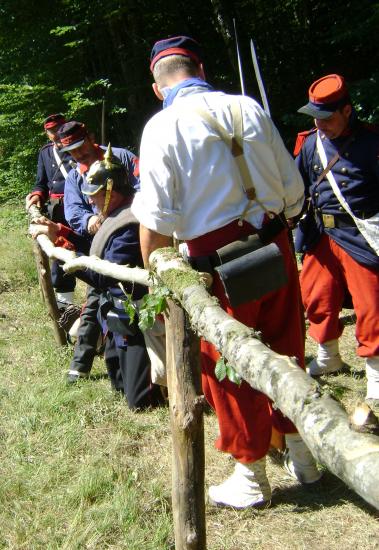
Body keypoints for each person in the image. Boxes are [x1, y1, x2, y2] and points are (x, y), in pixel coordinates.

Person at [131, 35, 321, 509]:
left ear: (158, 87)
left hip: (217, 263)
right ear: (201, 67)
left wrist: (157, 271)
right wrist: (282, 222)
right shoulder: (247, 106)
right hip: (274, 241)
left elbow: (154, 220)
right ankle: (304, 456)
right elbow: (292, 185)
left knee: (229, 368)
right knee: (287, 350)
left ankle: (251, 474)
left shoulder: (161, 126)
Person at [31, 147, 163, 409]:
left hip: (134, 317)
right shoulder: (114, 213)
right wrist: (60, 231)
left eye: (96, 195)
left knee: (140, 401)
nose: (91, 201)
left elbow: (106, 277)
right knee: (118, 385)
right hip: (113, 312)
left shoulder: (129, 223)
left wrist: (66, 252)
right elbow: (97, 246)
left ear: (111, 193)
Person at [294, 74, 379, 410]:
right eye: (315, 118)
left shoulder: (372, 144)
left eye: (327, 118)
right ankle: (329, 356)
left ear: (347, 111)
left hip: (359, 235)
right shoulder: (309, 141)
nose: (320, 124)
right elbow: (297, 183)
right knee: (316, 297)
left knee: (371, 307)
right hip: (319, 232)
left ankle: (375, 374)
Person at [56, 121, 140, 383]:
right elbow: (74, 212)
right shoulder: (74, 177)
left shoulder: (122, 158)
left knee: (117, 302)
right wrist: (89, 221)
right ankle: (82, 366)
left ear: (91, 137)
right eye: (72, 151)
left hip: (130, 236)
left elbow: (142, 187)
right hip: (99, 243)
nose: (79, 155)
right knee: (96, 303)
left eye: (81, 147)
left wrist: (116, 212)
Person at [26, 114, 76, 306]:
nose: (56, 134)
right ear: (46, 133)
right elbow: (41, 183)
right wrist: (38, 195)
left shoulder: (76, 148)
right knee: (61, 253)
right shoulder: (45, 152)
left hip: (80, 207)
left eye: (59, 129)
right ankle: (66, 305)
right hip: (58, 212)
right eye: (51, 131)